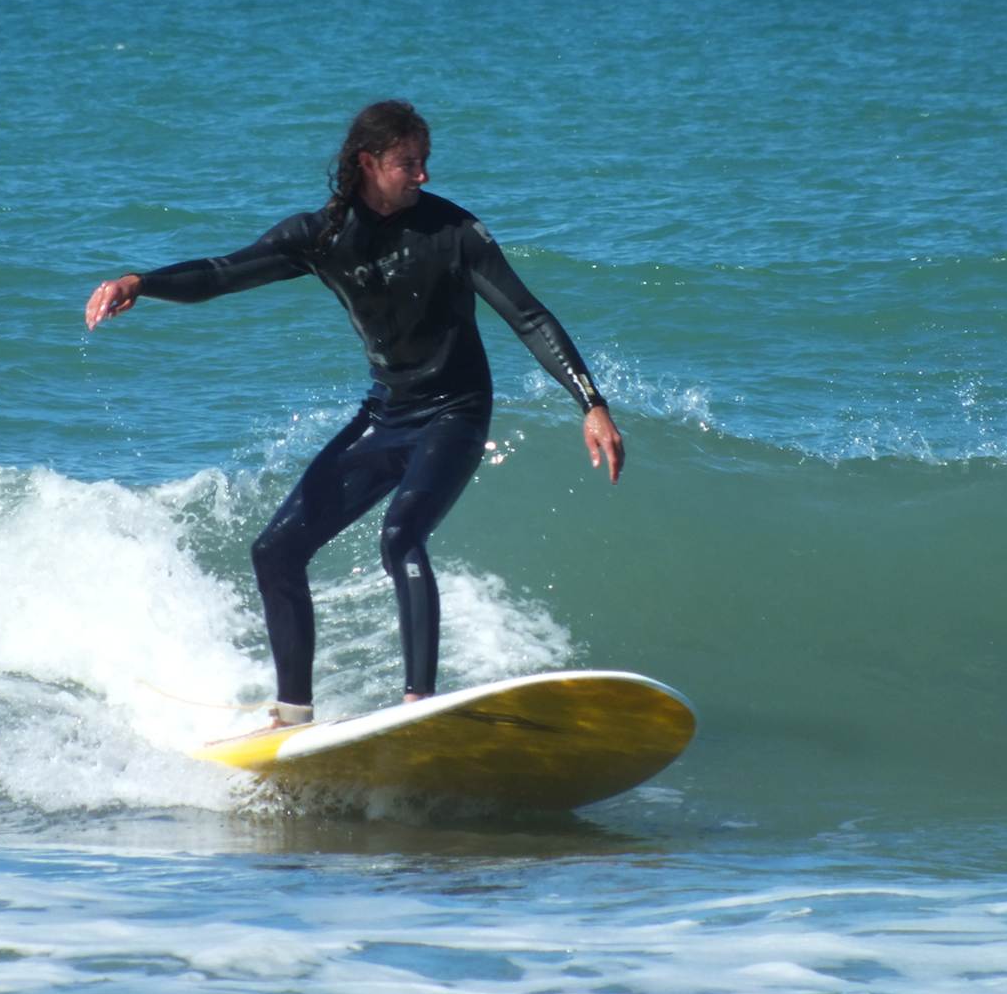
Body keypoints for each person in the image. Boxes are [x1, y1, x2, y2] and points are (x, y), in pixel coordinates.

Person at [84, 100, 623, 727]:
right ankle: (292, 716)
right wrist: (141, 282)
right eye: (407, 163)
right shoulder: (320, 236)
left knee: (401, 535)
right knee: (275, 553)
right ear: (367, 163)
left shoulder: (456, 232)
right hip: (387, 413)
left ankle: (418, 704)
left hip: (457, 410)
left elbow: (528, 316)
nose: (422, 175)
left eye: (425, 162)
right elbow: (222, 274)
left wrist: (591, 403)